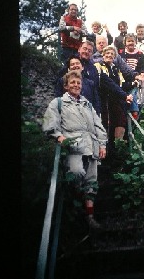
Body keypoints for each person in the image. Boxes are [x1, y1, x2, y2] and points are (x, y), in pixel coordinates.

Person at [42, 70, 107, 230]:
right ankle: (77, 209)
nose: (76, 85)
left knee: (92, 181)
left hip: (92, 146)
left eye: (78, 83)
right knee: (76, 173)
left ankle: (90, 216)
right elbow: (50, 125)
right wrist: (59, 137)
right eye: (72, 82)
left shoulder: (88, 104)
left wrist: (103, 144)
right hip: (73, 147)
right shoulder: (57, 103)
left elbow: (98, 125)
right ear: (66, 86)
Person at [94, 45, 137, 155]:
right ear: (103, 55)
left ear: (114, 57)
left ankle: (118, 150)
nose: (109, 56)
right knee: (105, 124)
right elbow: (107, 82)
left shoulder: (116, 69)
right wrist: (124, 96)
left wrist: (133, 84)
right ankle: (105, 153)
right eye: (107, 53)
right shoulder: (98, 66)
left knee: (120, 122)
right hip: (104, 100)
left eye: (112, 54)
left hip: (116, 101)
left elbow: (121, 85)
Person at [118, 33, 144, 119]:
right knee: (125, 94)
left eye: (132, 41)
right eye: (128, 41)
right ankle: (127, 112)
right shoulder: (121, 53)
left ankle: (134, 112)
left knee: (133, 93)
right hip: (123, 78)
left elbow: (142, 66)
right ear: (125, 42)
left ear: (136, 42)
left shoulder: (140, 53)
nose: (130, 43)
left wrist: (142, 73)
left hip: (135, 77)